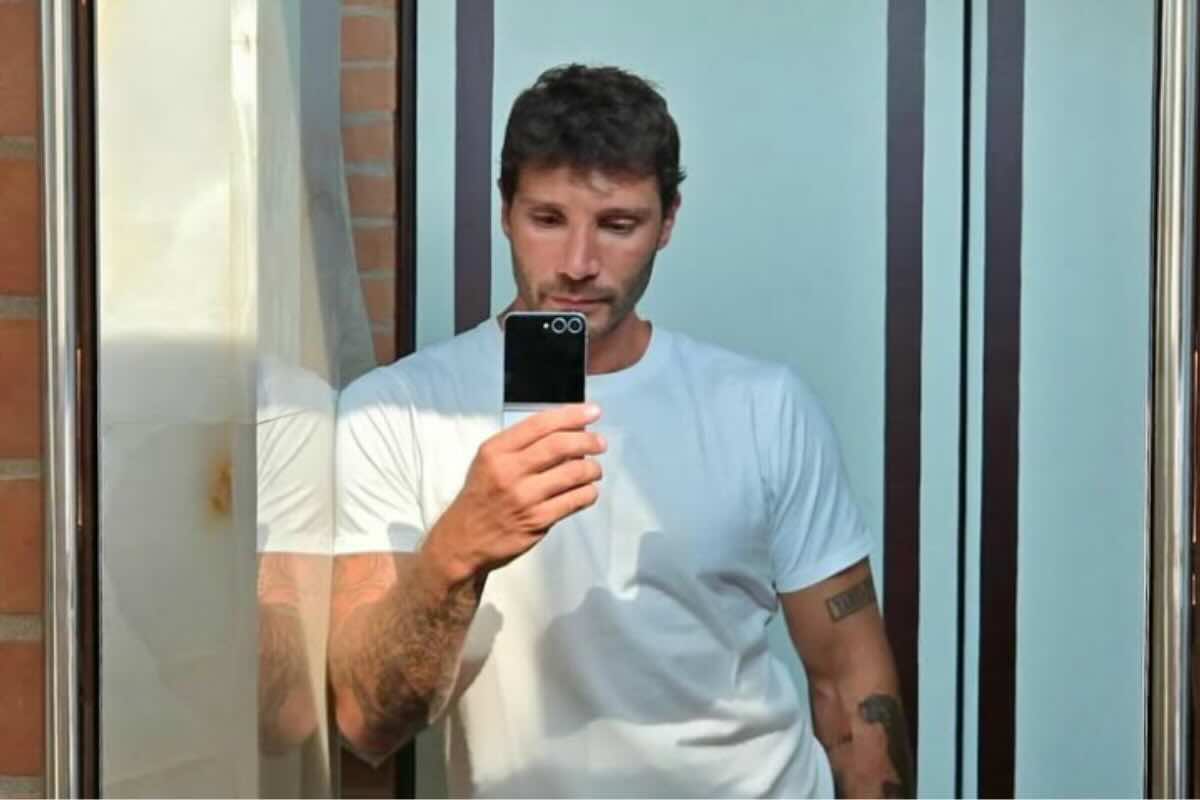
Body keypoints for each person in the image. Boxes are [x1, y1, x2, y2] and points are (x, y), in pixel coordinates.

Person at [330, 63, 914, 798]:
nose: (578, 264)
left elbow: (850, 680)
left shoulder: (764, 407)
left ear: (668, 222)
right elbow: (365, 723)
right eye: (548, 219)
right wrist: (459, 550)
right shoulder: (394, 413)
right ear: (505, 211)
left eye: (618, 225)